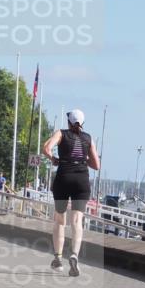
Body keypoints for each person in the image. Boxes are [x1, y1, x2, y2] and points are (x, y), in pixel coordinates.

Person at [42, 109, 101, 277]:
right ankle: (74, 254)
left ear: (69, 122)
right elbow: (97, 165)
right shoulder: (88, 138)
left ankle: (58, 259)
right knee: (77, 220)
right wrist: (82, 160)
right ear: (82, 124)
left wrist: (54, 159)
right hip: (81, 180)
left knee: (60, 219)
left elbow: (46, 148)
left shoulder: (61, 133)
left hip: (64, 178)